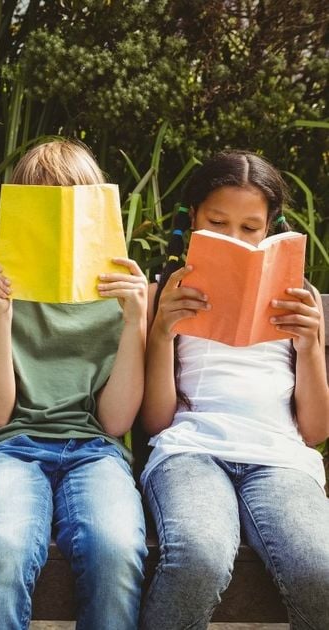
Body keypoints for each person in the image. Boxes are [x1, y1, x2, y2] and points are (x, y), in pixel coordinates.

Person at [139, 150, 329, 629]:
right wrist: (161, 332)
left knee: (320, 570)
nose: (233, 239)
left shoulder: (297, 299)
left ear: (270, 229)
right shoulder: (167, 291)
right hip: (191, 450)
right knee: (197, 559)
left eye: (250, 228)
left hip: (280, 457)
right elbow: (156, 421)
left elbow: (315, 430)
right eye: (217, 223)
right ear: (193, 221)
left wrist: (310, 347)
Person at [0, 139, 148, 630]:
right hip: (11, 447)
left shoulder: (117, 295)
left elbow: (114, 422)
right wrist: (0, 317)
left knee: (117, 549)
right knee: (2, 548)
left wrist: (135, 322)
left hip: (94, 449)